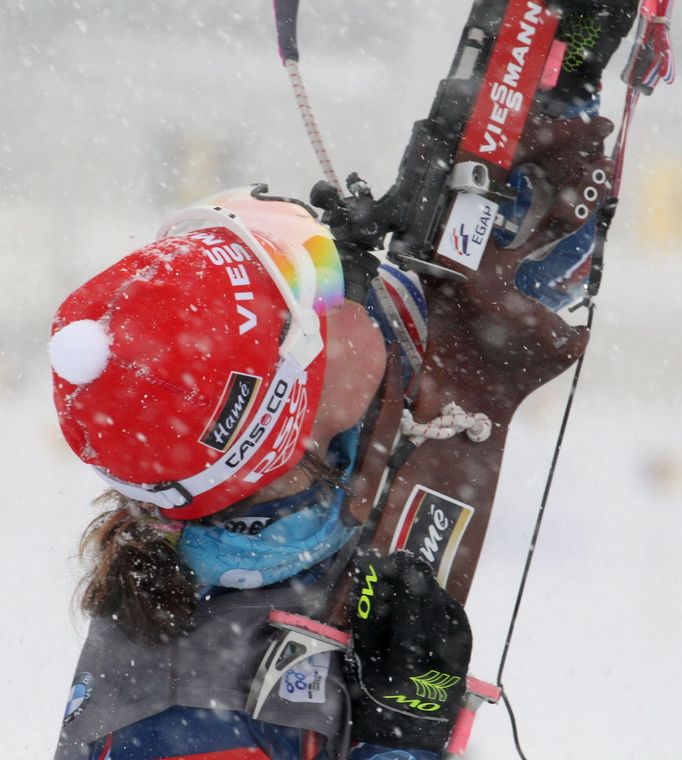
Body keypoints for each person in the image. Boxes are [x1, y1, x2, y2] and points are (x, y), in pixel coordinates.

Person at [50, 188, 472, 760]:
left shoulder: (274, 486)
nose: (347, 300)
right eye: (314, 301)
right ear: (286, 424)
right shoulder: (195, 723)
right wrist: (401, 745)